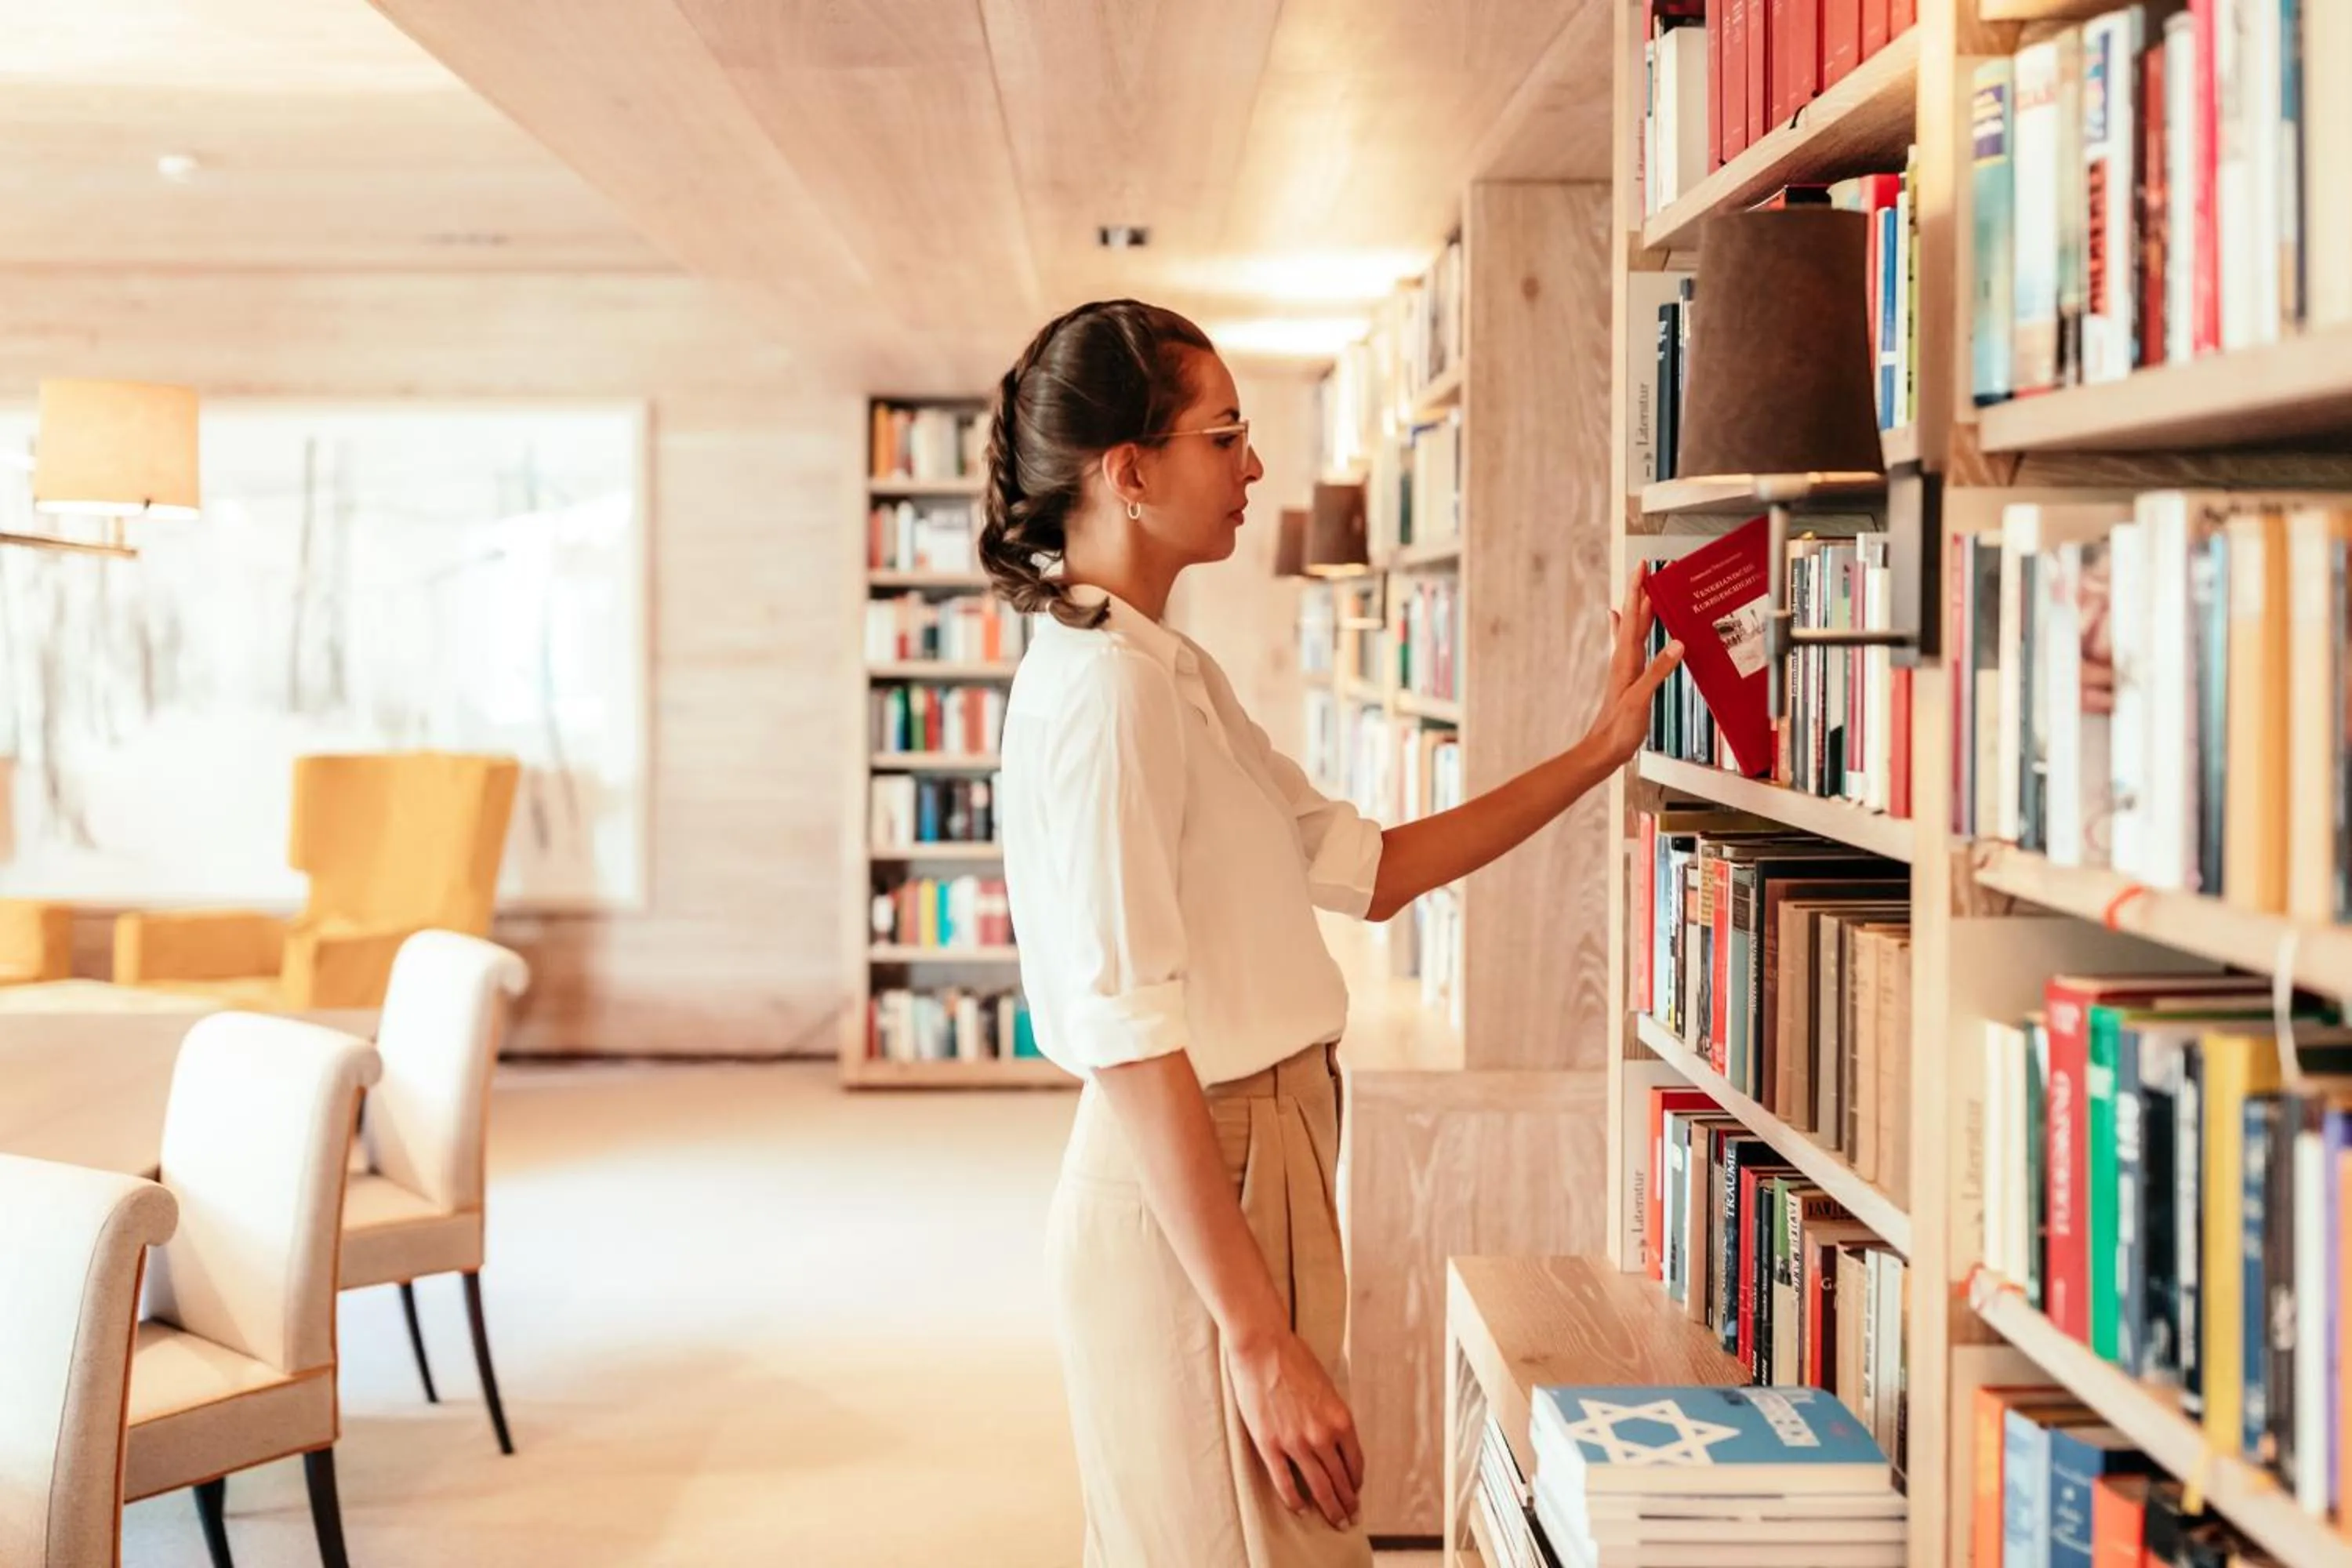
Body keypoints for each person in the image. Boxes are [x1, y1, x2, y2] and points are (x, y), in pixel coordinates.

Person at [983, 299, 1680, 1568]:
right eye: (1225, 435)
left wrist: (1597, 753)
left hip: (1271, 1154)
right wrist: (1257, 1340)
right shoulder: (1104, 696)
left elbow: (1374, 871)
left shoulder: (1167, 671)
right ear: (1128, 473)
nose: (1255, 467)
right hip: (1201, 1175)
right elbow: (1134, 1044)